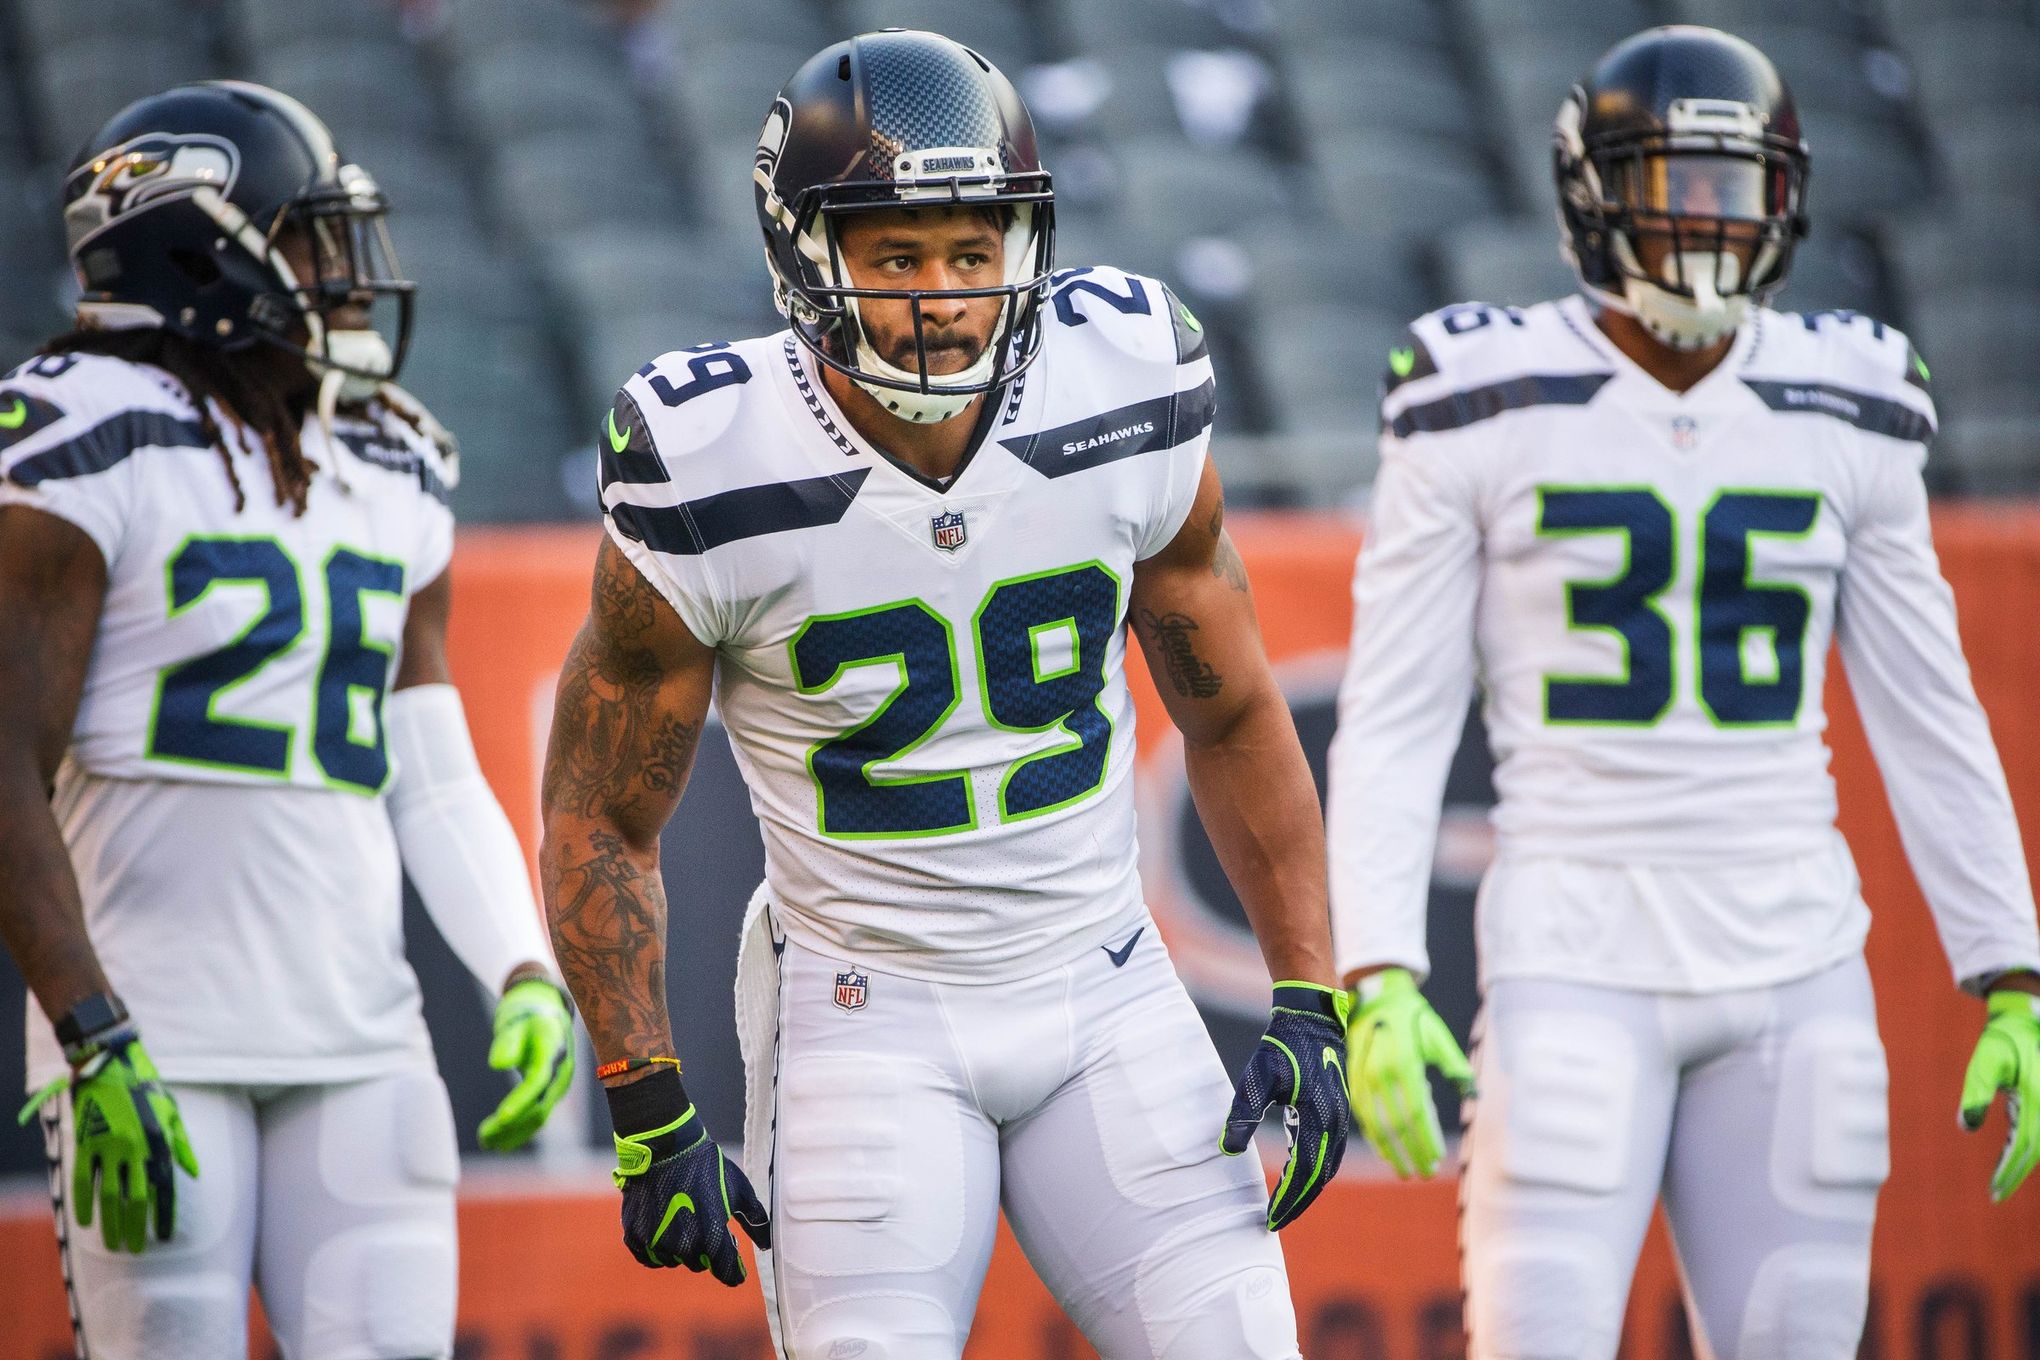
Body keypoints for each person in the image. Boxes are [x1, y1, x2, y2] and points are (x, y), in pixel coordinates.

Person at [539, 29, 1347, 1359]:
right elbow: (600, 816)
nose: (941, 297)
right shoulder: (711, 461)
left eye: (971, 254)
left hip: (1109, 988)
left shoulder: (1123, 380)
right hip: (868, 1018)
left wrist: (1309, 994)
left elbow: (1235, 710)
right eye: (894, 255)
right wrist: (646, 1101)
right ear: (808, 257)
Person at [1325, 25, 2040, 1360]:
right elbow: (1399, 709)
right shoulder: (1482, 391)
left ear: (1786, 194)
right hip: (1573, 954)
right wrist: (1376, 967)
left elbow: (1928, 710)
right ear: (1594, 192)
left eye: (1734, 185)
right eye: (1672, 182)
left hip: (1796, 956)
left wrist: (2012, 971)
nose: (1706, 221)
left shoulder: (1853, 396)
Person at [0, 81, 575, 1360]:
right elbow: (3, 763)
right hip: (156, 1034)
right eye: (312, 241)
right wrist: (88, 1026)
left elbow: (427, 769)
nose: (349, 276)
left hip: (362, 1032)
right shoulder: (85, 433)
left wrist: (520, 967)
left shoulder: (392, 451)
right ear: (196, 250)